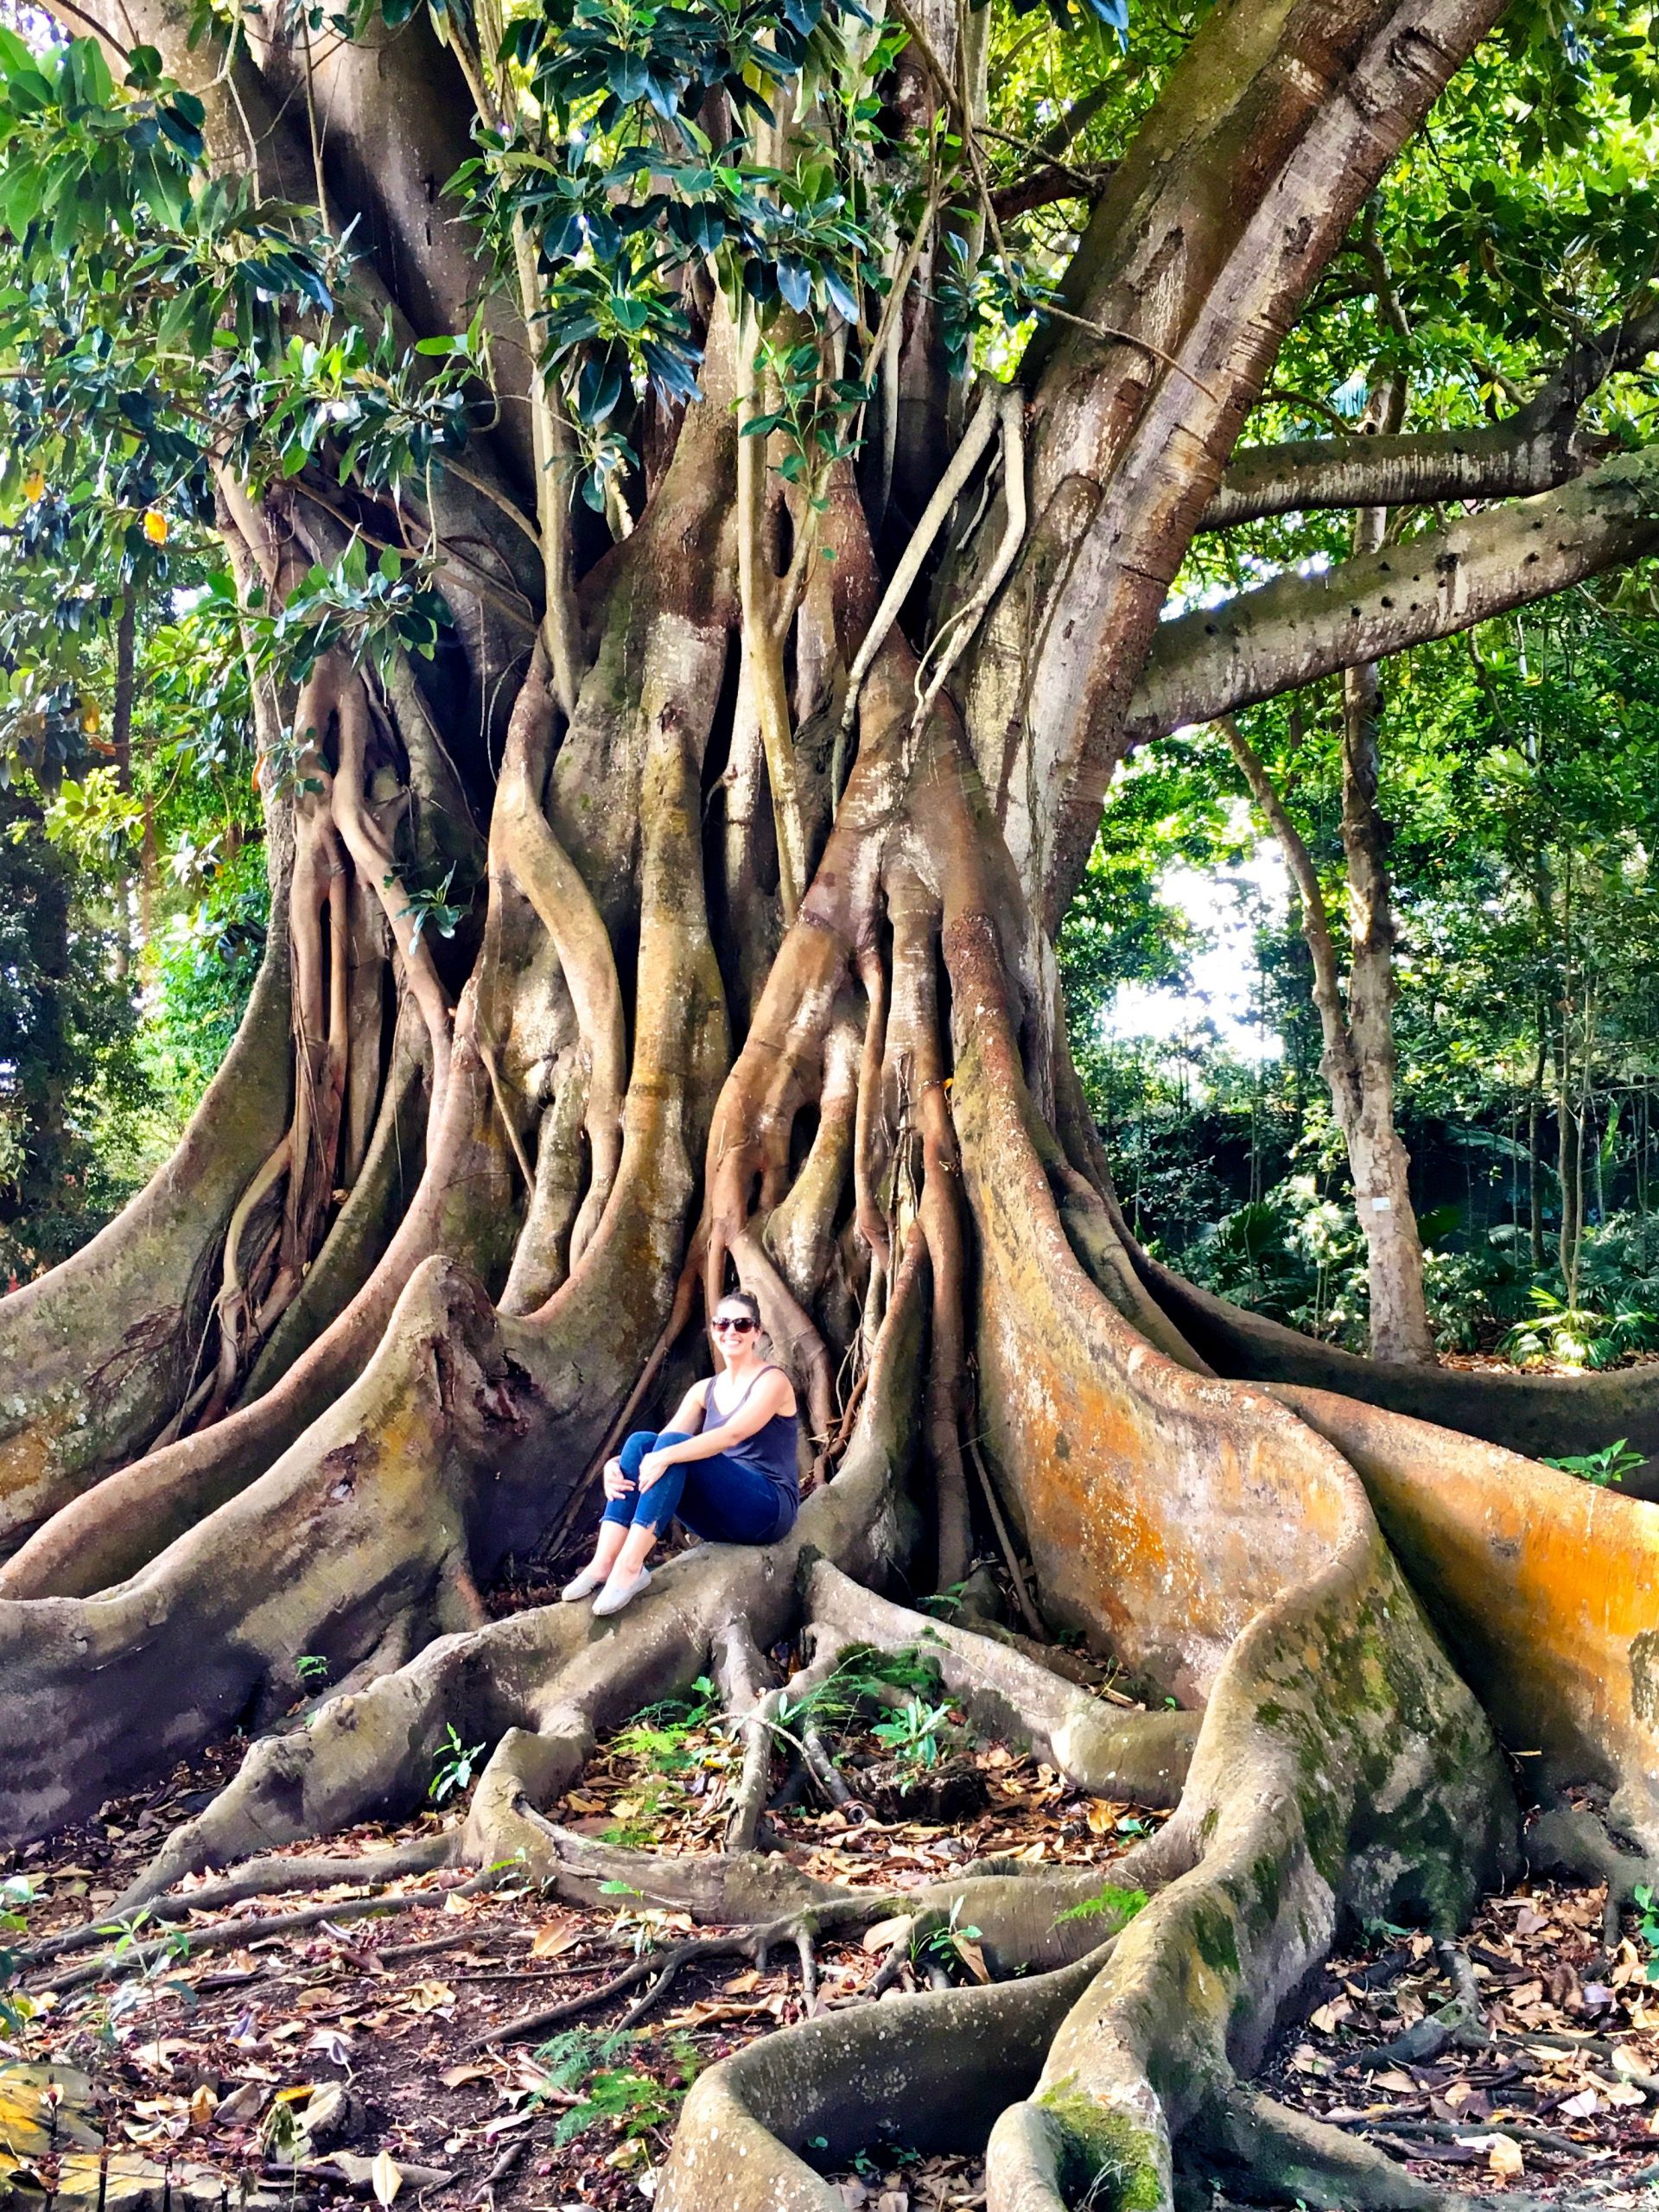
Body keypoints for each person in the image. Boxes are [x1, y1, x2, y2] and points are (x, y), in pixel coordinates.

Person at [562, 1290, 800, 1617]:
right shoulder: (704, 1390)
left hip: (766, 1510)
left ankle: (631, 1567)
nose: (731, 1331)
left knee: (670, 1450)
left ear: (757, 1332)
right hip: (720, 1517)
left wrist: (664, 1455)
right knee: (639, 1443)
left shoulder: (773, 1381)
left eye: (742, 1325)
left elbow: (733, 1433)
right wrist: (616, 1465)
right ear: (713, 1329)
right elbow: (660, 1443)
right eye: (723, 1323)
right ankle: (604, 1563)